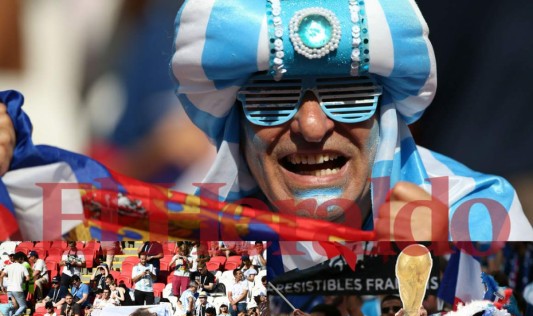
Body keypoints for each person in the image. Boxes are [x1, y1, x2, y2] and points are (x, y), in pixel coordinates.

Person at [167, 0, 533, 243]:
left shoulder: (484, 215)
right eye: (272, 97)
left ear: (385, 114)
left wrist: (439, 271)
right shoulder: (182, 231)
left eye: (348, 94)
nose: (312, 126)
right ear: (235, 122)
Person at [1, 251, 28, 316]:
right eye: (22, 258)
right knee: (23, 306)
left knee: (11, 305)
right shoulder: (23, 267)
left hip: (9, 290)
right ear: (19, 259)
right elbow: (28, 278)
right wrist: (23, 281)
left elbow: (1, 276)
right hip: (18, 290)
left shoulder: (8, 266)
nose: (23, 260)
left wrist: (1, 286)